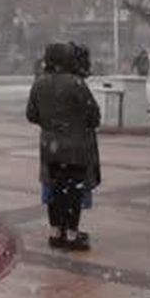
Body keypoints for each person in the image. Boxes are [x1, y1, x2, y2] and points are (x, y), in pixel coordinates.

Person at [26, 43, 101, 251]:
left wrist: (50, 124)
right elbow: (94, 116)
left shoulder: (39, 83)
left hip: (50, 148)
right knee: (73, 191)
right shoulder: (76, 83)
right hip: (76, 148)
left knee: (55, 189)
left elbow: (31, 115)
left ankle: (56, 232)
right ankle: (71, 234)